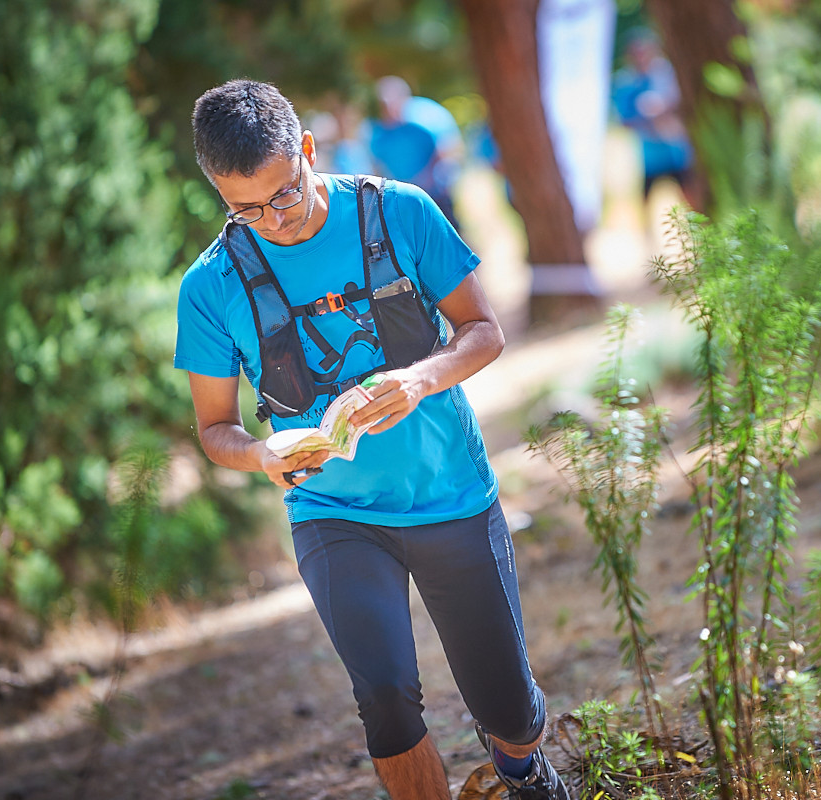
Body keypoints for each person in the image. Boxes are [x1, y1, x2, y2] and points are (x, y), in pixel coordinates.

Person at [175, 79, 569, 800]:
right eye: (246, 209)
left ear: (309, 151)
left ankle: (522, 768)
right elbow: (214, 428)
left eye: (285, 194)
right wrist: (260, 454)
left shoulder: (399, 211)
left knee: (507, 707)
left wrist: (420, 380)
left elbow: (483, 331)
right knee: (385, 698)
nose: (275, 221)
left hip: (449, 491)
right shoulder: (209, 285)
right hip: (332, 514)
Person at [611, 28, 702, 210]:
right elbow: (624, 120)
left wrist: (665, 111)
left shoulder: (666, 74)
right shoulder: (625, 82)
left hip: (676, 149)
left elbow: (685, 107)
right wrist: (647, 118)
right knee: (646, 203)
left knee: (691, 196)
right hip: (649, 154)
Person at [368, 75, 465, 229]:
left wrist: (429, 180)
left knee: (448, 231)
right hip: (405, 196)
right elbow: (377, 165)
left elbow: (448, 149)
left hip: (436, 190)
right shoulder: (380, 132)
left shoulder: (425, 118)